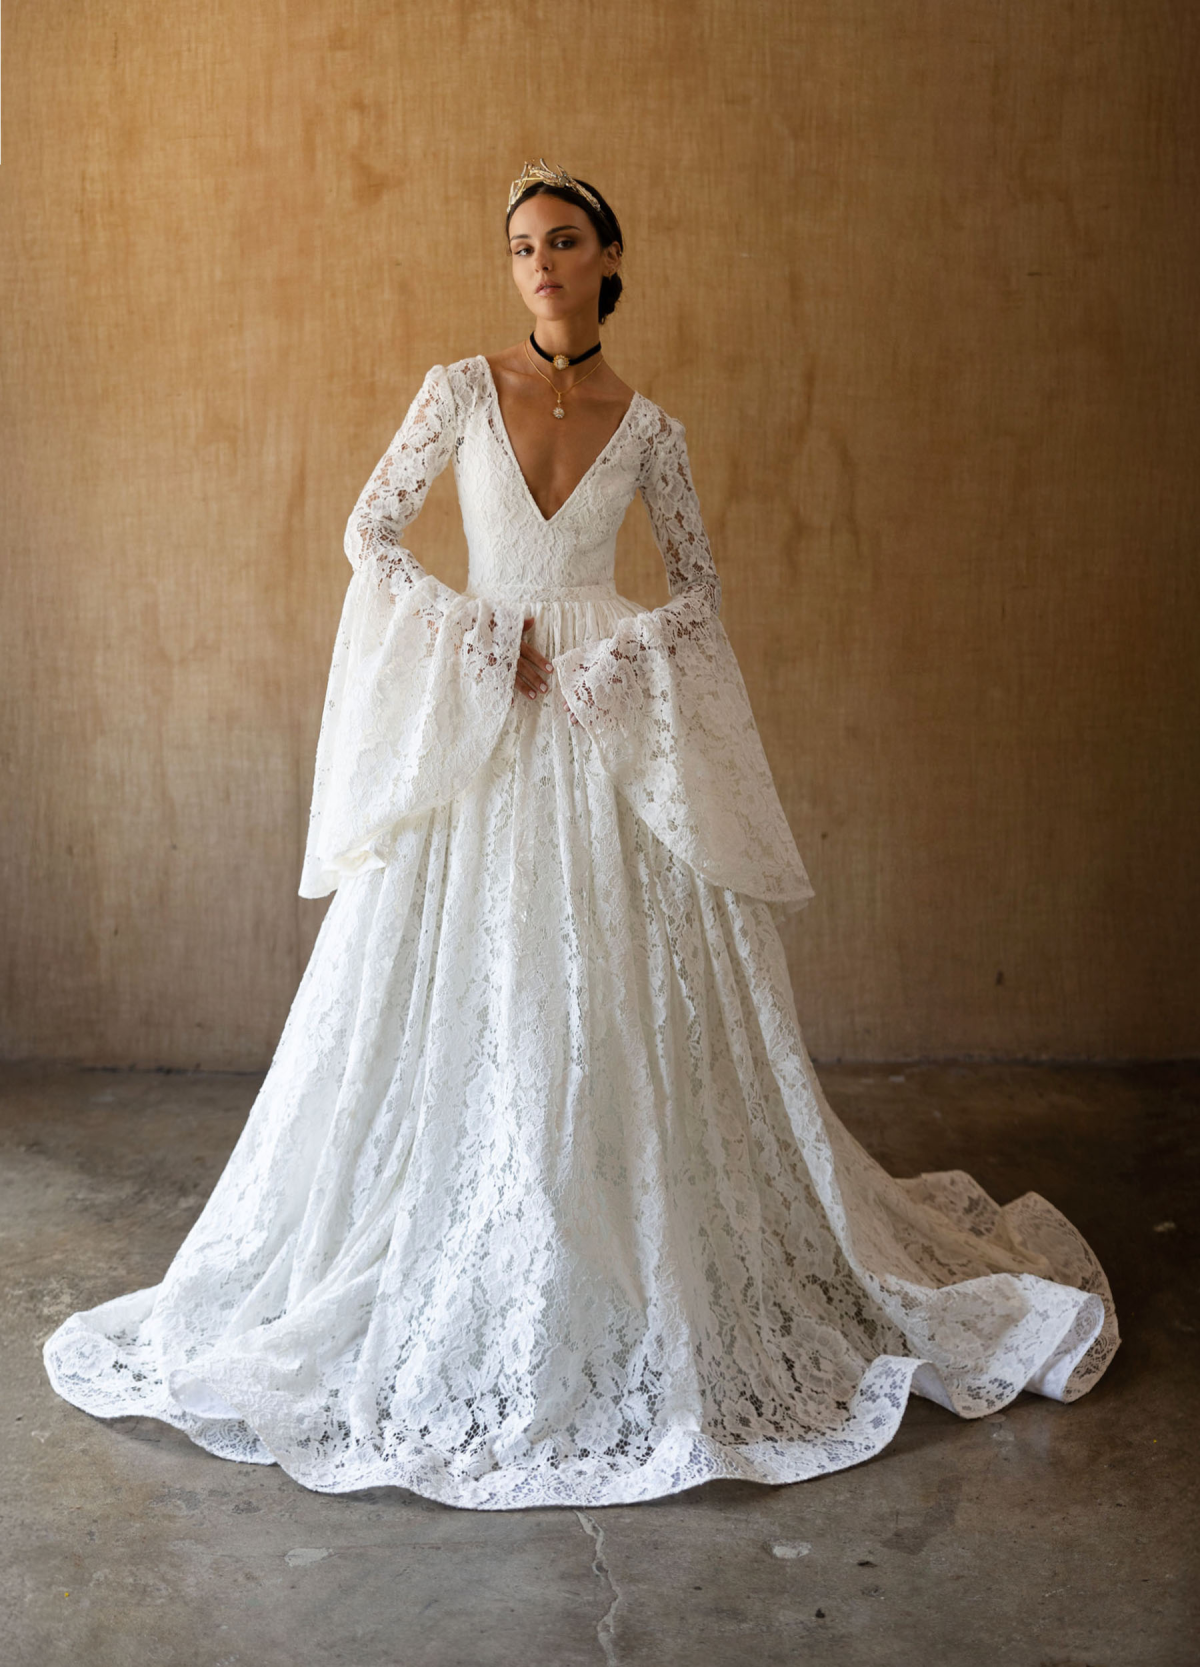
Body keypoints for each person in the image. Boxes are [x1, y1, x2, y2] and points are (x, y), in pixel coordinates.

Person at [42, 160, 1119, 1511]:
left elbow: (700, 591)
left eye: (562, 242)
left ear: (610, 257)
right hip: (489, 708)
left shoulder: (650, 427)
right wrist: (480, 638)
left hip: (599, 712)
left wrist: (616, 657)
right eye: (520, 248)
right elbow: (371, 534)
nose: (540, 265)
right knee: (473, 973)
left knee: (612, 982)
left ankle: (625, 1240)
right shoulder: (458, 391)